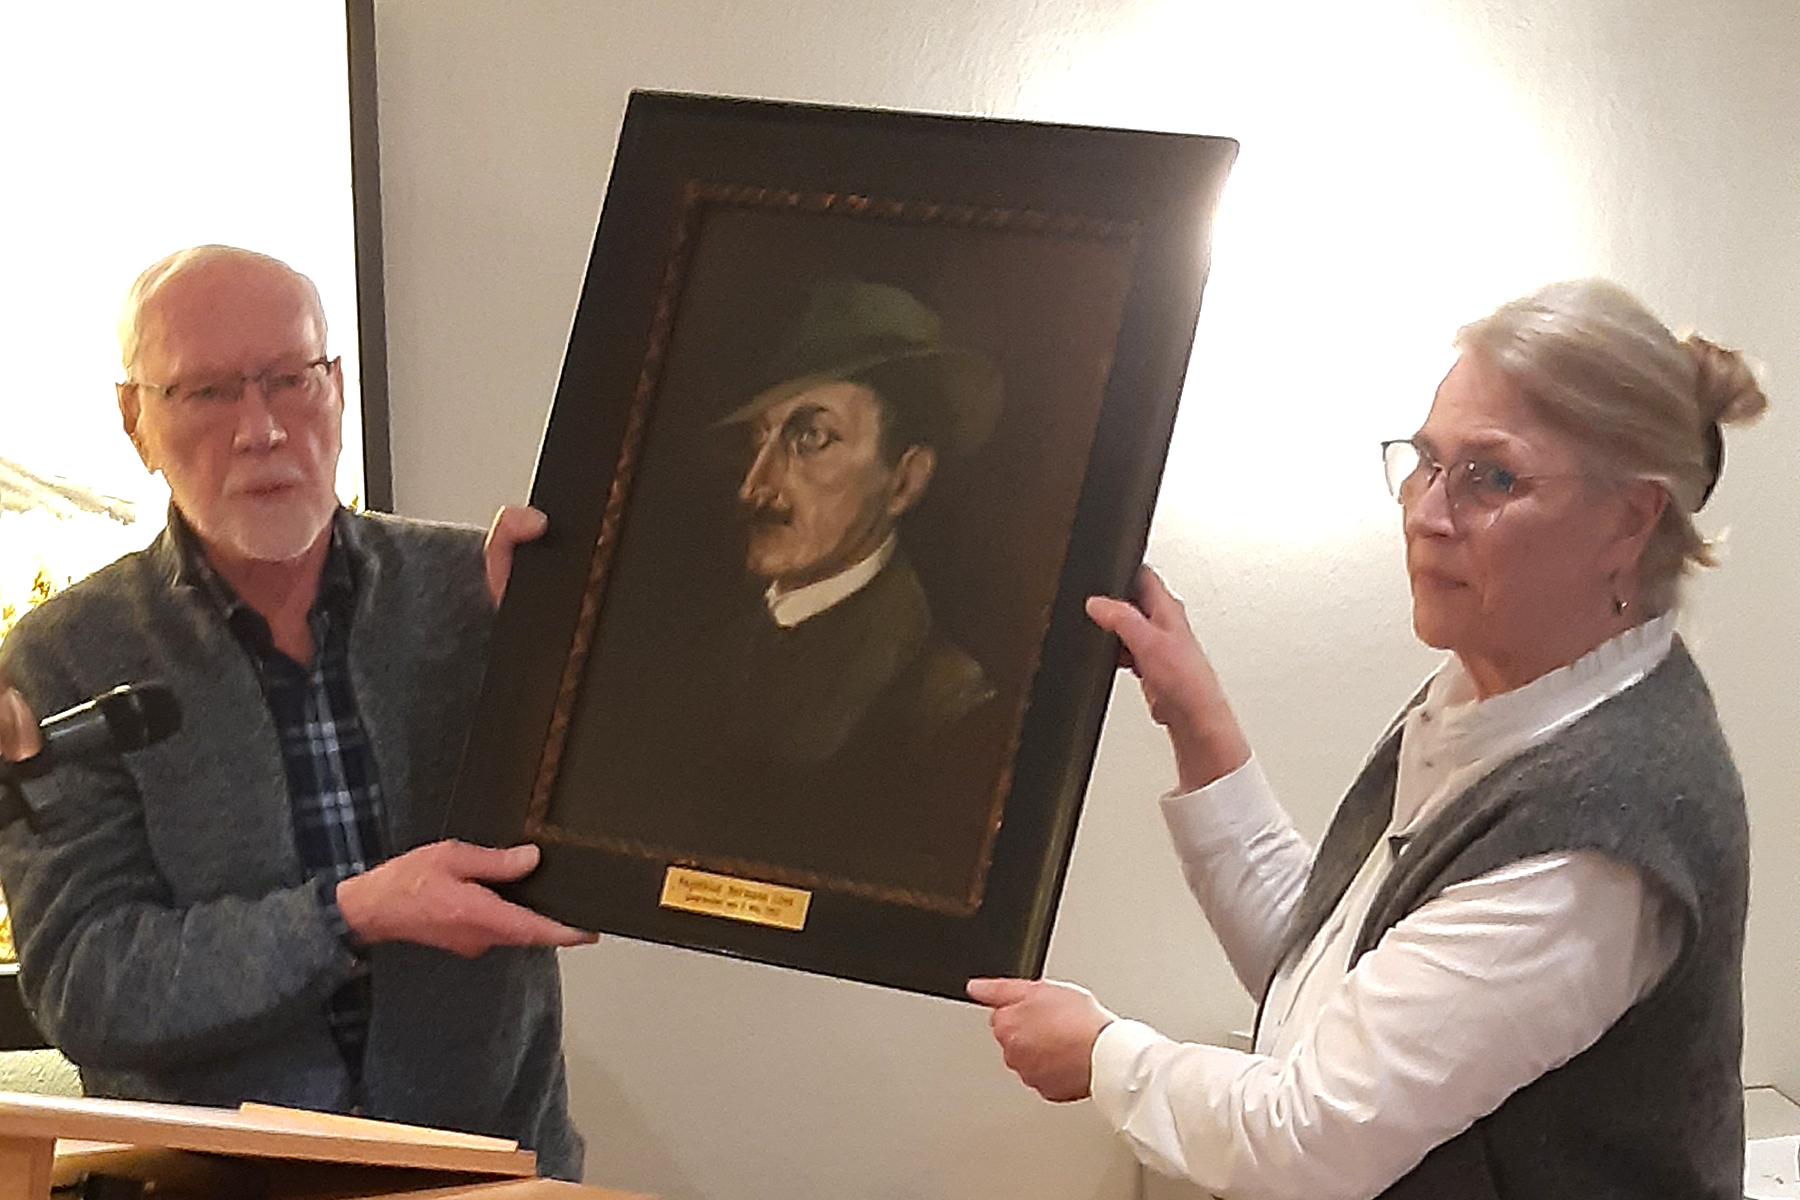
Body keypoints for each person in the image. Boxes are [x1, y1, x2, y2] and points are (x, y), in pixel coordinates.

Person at [970, 279, 1768, 1198]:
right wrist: (1195, 718)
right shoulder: (1496, 699)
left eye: (1490, 477)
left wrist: (1105, 1057)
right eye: (1427, 461)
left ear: (1628, 520)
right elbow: (1324, 984)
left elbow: (1310, 1138)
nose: (1427, 512)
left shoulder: (1602, 829)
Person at [0, 245, 593, 1179]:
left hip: (491, 1169)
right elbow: (91, 983)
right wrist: (349, 915)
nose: (261, 428)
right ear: (135, 421)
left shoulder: (483, 596)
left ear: (337, 390)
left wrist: (592, 651)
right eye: (206, 392)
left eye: (289, 379)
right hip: (204, 1184)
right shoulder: (66, 656)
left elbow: (647, 823)